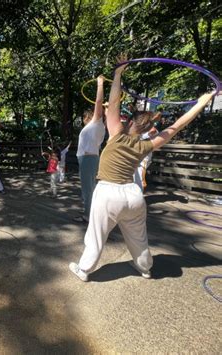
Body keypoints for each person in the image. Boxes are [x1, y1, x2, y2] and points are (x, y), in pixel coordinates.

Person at [69, 54, 216, 282]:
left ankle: (84, 269)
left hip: (108, 192)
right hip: (133, 195)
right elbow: (176, 126)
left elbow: (114, 101)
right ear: (147, 128)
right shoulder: (146, 144)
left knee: (96, 235)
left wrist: (119, 72)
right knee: (138, 237)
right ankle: (145, 267)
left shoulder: (116, 133)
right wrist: (201, 102)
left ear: (129, 122)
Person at [74, 75, 107, 223]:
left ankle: (88, 216)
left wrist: (100, 84)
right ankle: (92, 214)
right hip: (87, 159)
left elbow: (98, 102)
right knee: (89, 189)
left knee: (88, 190)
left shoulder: (96, 123)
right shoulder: (96, 126)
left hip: (88, 158)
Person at [134, 116, 161, 192]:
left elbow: (153, 131)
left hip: (144, 158)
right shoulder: (141, 130)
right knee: (135, 176)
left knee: (140, 176)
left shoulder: (152, 130)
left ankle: (139, 194)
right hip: (137, 157)